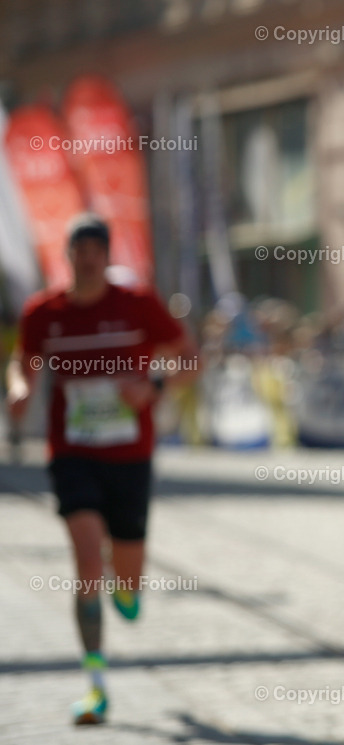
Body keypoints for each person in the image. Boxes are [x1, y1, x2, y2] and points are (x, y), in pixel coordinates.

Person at [5, 213, 199, 725]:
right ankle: (95, 685)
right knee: (88, 562)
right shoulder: (43, 312)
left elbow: (189, 357)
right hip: (72, 453)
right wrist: (21, 388)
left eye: (97, 250)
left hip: (129, 455)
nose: (87, 259)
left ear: (108, 256)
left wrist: (152, 387)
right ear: (67, 255)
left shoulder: (136, 305)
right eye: (79, 250)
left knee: (125, 577)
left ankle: (128, 586)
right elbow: (24, 361)